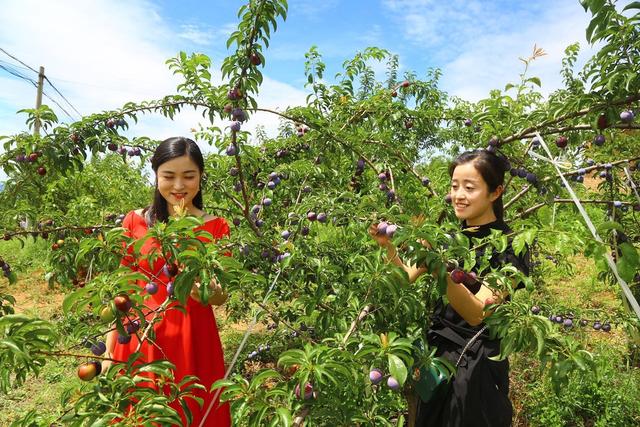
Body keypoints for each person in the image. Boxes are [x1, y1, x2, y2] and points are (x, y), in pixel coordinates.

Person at [371, 149, 530, 427]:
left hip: (477, 362)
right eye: (455, 186)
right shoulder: (446, 237)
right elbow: (404, 277)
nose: (459, 195)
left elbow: (478, 312)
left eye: (470, 188)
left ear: (496, 192)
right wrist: (388, 248)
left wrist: (440, 270)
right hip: (436, 355)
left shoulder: (511, 246)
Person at [104, 137, 231, 426]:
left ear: (200, 177)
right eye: (168, 176)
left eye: (188, 176)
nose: (178, 186)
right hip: (141, 334)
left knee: (191, 411)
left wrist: (207, 291)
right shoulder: (134, 222)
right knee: (139, 414)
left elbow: (221, 295)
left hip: (193, 339)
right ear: (156, 176)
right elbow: (123, 289)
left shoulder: (215, 226)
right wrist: (110, 346)